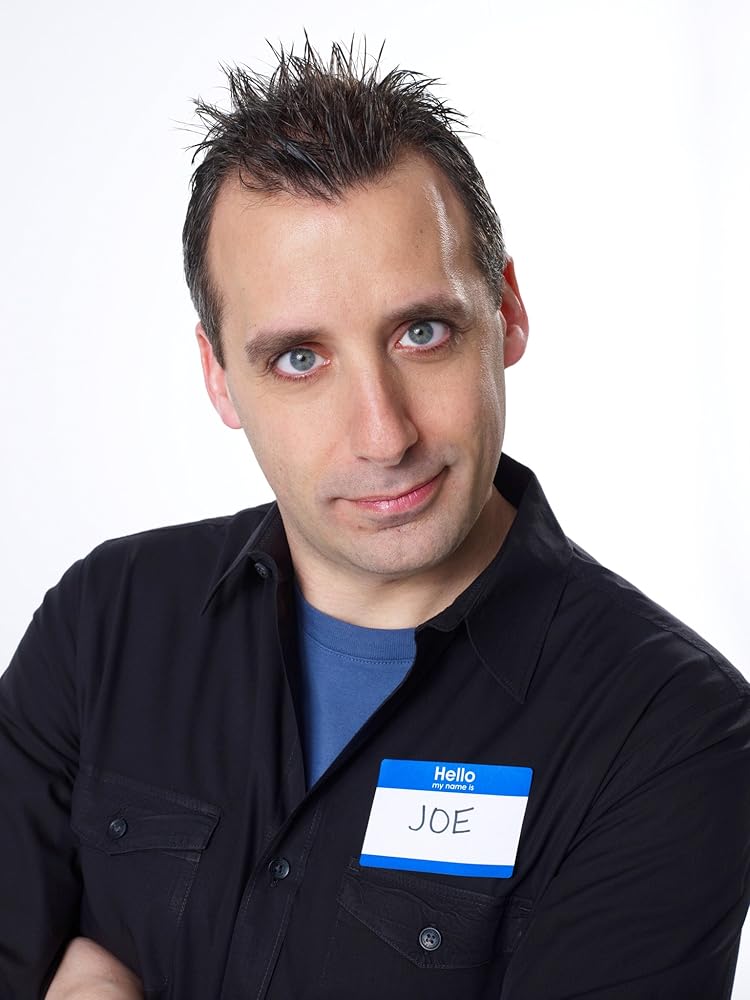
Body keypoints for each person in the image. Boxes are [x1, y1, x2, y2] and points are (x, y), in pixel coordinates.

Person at [3, 38, 750, 1000]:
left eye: (421, 332)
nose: (384, 435)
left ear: (508, 311)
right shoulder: (105, 623)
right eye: (300, 359)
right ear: (218, 377)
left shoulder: (669, 733)